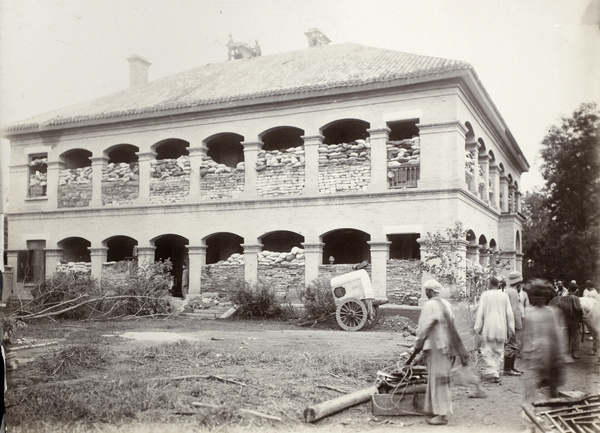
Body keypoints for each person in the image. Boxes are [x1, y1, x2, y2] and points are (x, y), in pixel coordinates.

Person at [413, 279, 469, 426]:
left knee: (439, 381)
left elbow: (423, 327)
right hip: (448, 346)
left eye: (426, 291)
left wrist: (417, 345)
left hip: (438, 347)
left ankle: (442, 415)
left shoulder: (430, 305)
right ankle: (434, 409)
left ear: (429, 291)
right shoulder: (446, 304)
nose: (426, 293)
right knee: (439, 379)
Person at [521, 289, 570, 433]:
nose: (537, 299)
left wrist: (561, 355)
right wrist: (526, 354)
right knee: (530, 390)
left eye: (540, 296)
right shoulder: (529, 313)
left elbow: (559, 334)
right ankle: (529, 422)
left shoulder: (553, 312)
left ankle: (555, 421)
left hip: (551, 356)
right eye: (535, 296)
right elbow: (527, 336)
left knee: (553, 390)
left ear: (544, 298)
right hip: (534, 356)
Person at [474, 276, 515, 384]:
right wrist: (511, 328)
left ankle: (492, 371)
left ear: (490, 284)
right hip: (501, 327)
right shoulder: (504, 295)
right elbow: (509, 313)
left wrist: (477, 327)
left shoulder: (485, 295)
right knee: (499, 352)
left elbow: (481, 312)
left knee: (487, 351)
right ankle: (495, 372)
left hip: (489, 326)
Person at [549, 281, 583, 359]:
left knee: (567, 336)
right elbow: (578, 309)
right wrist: (581, 315)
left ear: (568, 289)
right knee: (574, 336)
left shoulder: (564, 297)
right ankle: (572, 353)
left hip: (566, 319)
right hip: (574, 320)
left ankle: (566, 353)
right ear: (575, 290)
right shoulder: (576, 298)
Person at [504, 271, 525, 375]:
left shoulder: (509, 290)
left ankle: (511, 367)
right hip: (514, 321)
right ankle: (508, 369)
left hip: (511, 321)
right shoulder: (512, 292)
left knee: (513, 344)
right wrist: (518, 323)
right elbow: (514, 309)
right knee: (512, 344)